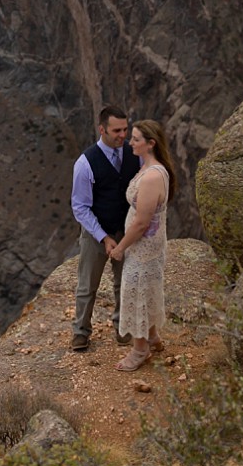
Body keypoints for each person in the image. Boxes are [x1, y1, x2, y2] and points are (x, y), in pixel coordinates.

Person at [70, 105, 141, 352]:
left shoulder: (134, 154)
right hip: (94, 233)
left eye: (125, 129)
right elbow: (80, 207)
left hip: (125, 231)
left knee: (125, 282)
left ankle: (123, 330)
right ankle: (80, 332)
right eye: (116, 130)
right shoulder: (85, 163)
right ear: (102, 129)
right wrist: (102, 237)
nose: (123, 135)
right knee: (88, 285)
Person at [110, 118, 177, 371]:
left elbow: (141, 223)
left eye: (136, 139)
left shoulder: (151, 177)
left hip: (143, 248)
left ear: (150, 144)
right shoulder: (152, 169)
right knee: (147, 290)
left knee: (135, 292)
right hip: (150, 247)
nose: (130, 142)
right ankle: (152, 337)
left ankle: (140, 351)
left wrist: (120, 247)